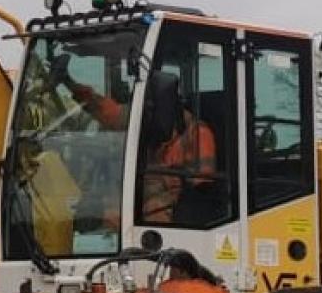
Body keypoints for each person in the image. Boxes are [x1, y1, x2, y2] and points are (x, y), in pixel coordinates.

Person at [60, 64, 219, 224]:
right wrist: (68, 81)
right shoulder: (140, 118)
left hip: (166, 208)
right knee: (82, 208)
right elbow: (105, 110)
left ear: (166, 112)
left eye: (151, 116)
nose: (144, 123)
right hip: (135, 193)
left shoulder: (198, 135)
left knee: (150, 211)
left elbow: (201, 194)